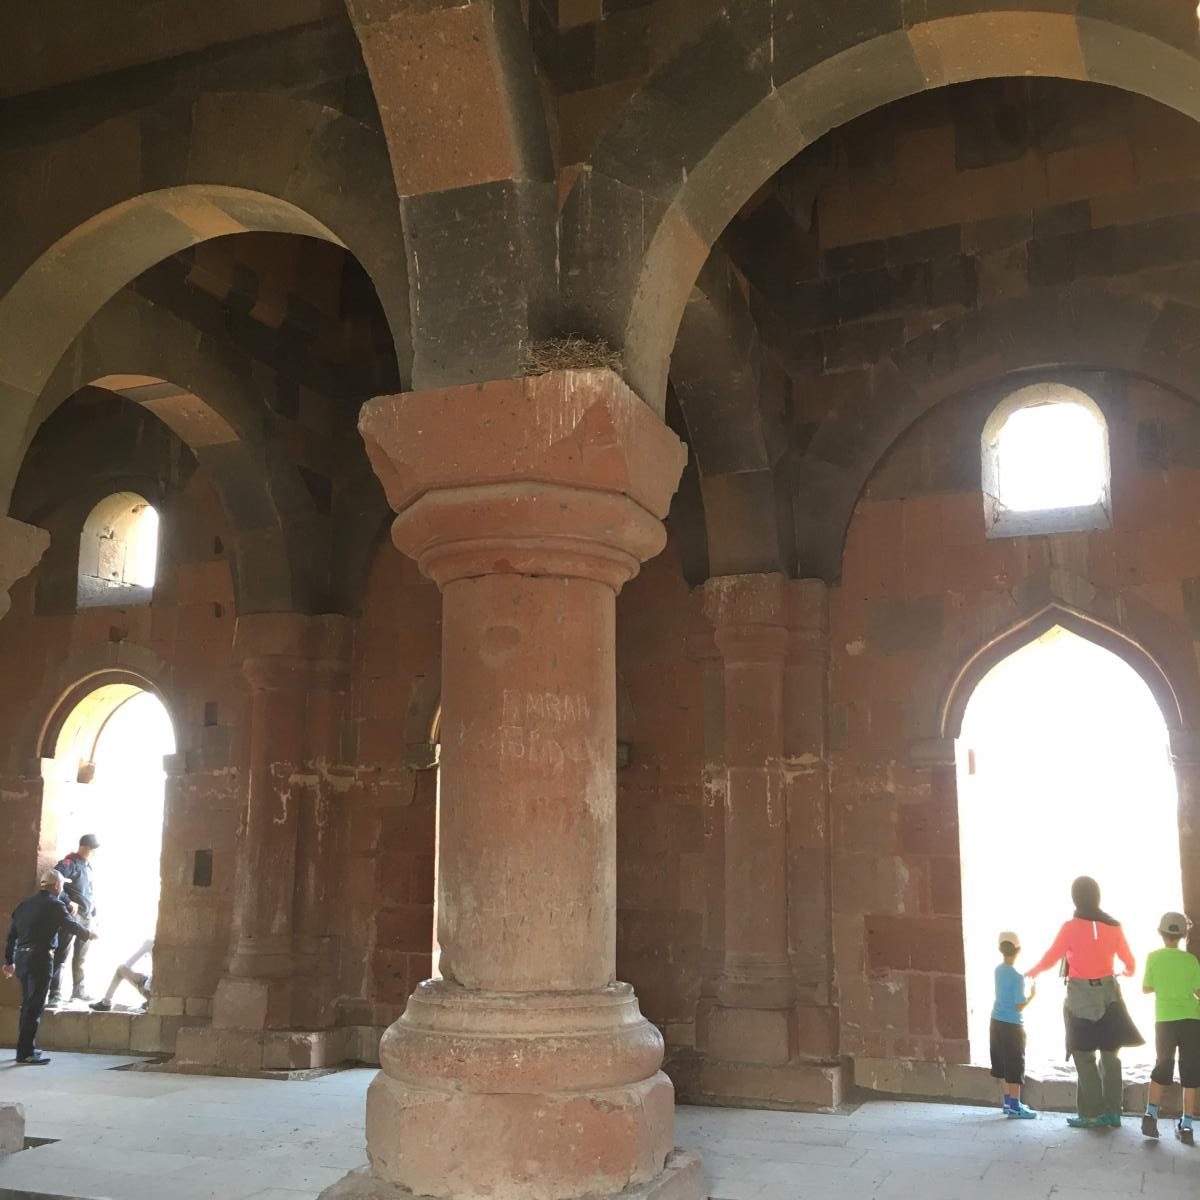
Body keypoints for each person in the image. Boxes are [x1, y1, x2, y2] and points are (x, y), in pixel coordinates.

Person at [1027, 876, 1143, 1129]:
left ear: (1075, 898)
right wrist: (1124, 973)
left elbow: (1051, 957)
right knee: (1110, 1054)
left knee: (1083, 1053)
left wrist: (1032, 972)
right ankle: (1113, 1113)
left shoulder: (1070, 927)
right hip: (1109, 993)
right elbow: (1130, 963)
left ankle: (1091, 1114)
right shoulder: (1114, 926)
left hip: (1080, 994)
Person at [3, 869, 98, 1064]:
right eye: (62, 885)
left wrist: (9, 961)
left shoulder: (25, 904)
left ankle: (25, 1048)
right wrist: (89, 934)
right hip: (40, 959)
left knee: (27, 1005)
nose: (62, 888)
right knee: (34, 1006)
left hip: (22, 958)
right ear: (56, 886)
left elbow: (12, 935)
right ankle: (26, 1053)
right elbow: (70, 925)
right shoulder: (55, 904)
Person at [1141, 911, 1200, 1145]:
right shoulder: (1191, 960)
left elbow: (1146, 988)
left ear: (1160, 932)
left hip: (1165, 1020)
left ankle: (1150, 1114)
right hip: (1192, 1020)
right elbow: (1198, 991)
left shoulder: (1153, 957)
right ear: (1185, 934)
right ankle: (1186, 1126)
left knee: (1163, 1065)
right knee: (1190, 1071)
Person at [991, 930, 1038, 1118]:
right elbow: (1019, 1005)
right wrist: (1032, 995)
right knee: (1015, 1064)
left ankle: (1007, 1102)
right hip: (1012, 1025)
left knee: (1002, 1063)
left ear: (1000, 949)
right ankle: (1015, 1107)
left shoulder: (998, 970)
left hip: (996, 1021)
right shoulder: (1018, 976)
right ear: (1018, 950)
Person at [49, 833, 99, 1005]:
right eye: (92, 849)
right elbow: (54, 880)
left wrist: (93, 911)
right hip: (72, 915)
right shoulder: (69, 863)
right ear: (84, 848)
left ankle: (78, 990)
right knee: (62, 953)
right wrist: (68, 901)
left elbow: (88, 892)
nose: (94, 853)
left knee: (81, 956)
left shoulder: (88, 867)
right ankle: (55, 993)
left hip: (86, 916)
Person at [90, 939, 153, 1012]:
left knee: (121, 969)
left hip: (151, 992)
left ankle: (105, 1003)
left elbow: (128, 964)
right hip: (158, 994)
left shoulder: (151, 942)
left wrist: (146, 946)